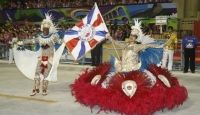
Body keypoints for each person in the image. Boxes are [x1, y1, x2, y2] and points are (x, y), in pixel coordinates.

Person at [70, 20, 187, 115]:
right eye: (131, 35)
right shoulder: (125, 44)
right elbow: (117, 44)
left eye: (134, 36)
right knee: (108, 82)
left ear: (136, 37)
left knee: (145, 83)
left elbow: (149, 45)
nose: (132, 37)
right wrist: (110, 38)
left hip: (134, 69)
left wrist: (162, 44)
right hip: (121, 68)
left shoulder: (137, 47)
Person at [14, 14, 63, 96]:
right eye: (44, 29)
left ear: (49, 29)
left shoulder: (53, 36)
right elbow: (31, 41)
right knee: (37, 74)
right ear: (42, 29)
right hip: (42, 58)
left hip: (50, 58)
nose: (45, 30)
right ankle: (35, 89)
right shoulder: (40, 37)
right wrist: (21, 42)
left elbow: (60, 42)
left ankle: (44, 89)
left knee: (46, 74)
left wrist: (66, 40)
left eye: (47, 29)